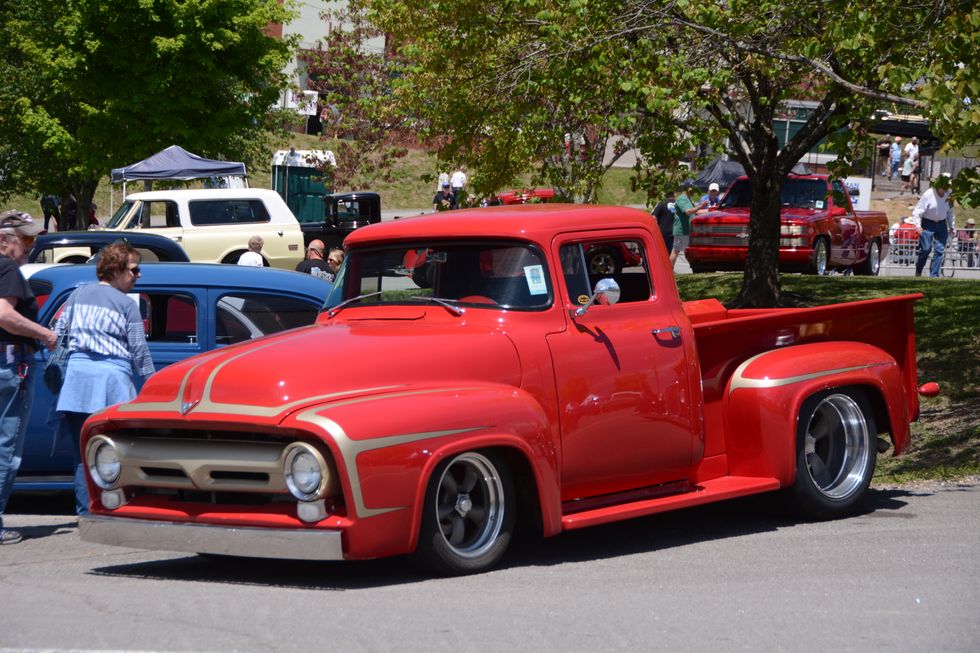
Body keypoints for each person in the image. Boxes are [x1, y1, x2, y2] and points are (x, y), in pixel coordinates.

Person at [52, 241, 154, 517]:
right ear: (117, 269)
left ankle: (86, 512)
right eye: (134, 269)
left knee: (82, 456)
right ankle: (115, 510)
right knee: (114, 452)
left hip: (76, 384)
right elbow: (138, 351)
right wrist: (153, 386)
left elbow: (56, 334)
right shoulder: (126, 304)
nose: (138, 275)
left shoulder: (76, 296)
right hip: (112, 385)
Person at [0, 211, 57, 545]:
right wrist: (45, 334)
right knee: (7, 448)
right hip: (11, 363)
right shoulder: (7, 268)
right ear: (5, 240)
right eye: (27, 239)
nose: (31, 247)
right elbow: (4, 315)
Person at [913, 175, 955, 277]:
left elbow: (950, 212)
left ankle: (934, 275)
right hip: (928, 223)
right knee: (926, 249)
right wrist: (918, 226)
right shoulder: (928, 194)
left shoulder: (949, 195)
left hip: (942, 224)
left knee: (939, 250)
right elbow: (917, 211)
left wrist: (952, 226)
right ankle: (918, 271)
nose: (946, 188)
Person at [670, 185, 699, 270]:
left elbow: (695, 212)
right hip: (681, 230)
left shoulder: (688, 199)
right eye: (691, 188)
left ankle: (696, 268)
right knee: (676, 250)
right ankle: (669, 270)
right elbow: (688, 211)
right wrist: (699, 207)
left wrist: (710, 210)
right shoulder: (682, 198)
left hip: (687, 230)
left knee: (687, 250)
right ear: (687, 189)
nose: (693, 190)